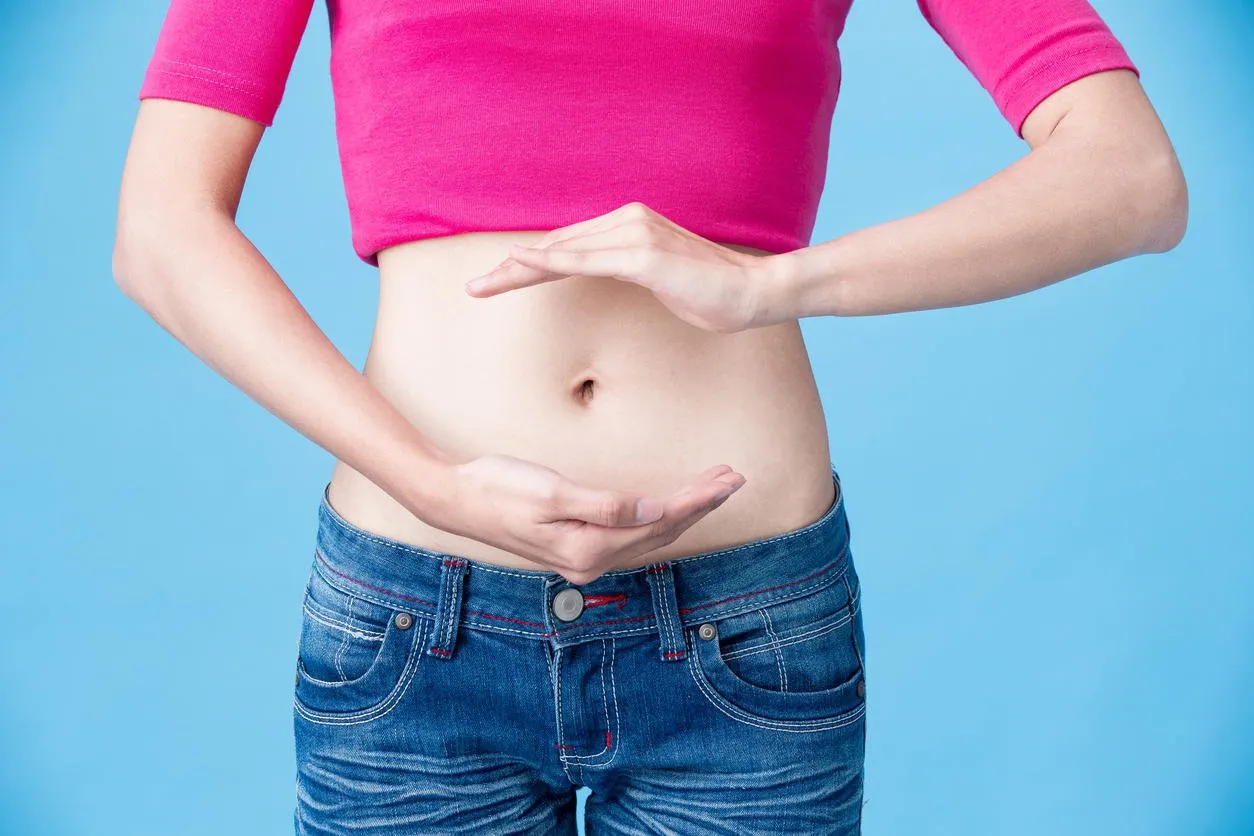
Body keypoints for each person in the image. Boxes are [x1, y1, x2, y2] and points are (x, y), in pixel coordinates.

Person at [113, 0, 1186, 831]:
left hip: (746, 628)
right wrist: (430, 478)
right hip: (413, 624)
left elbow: (1131, 174)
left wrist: (778, 285)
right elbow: (161, 230)